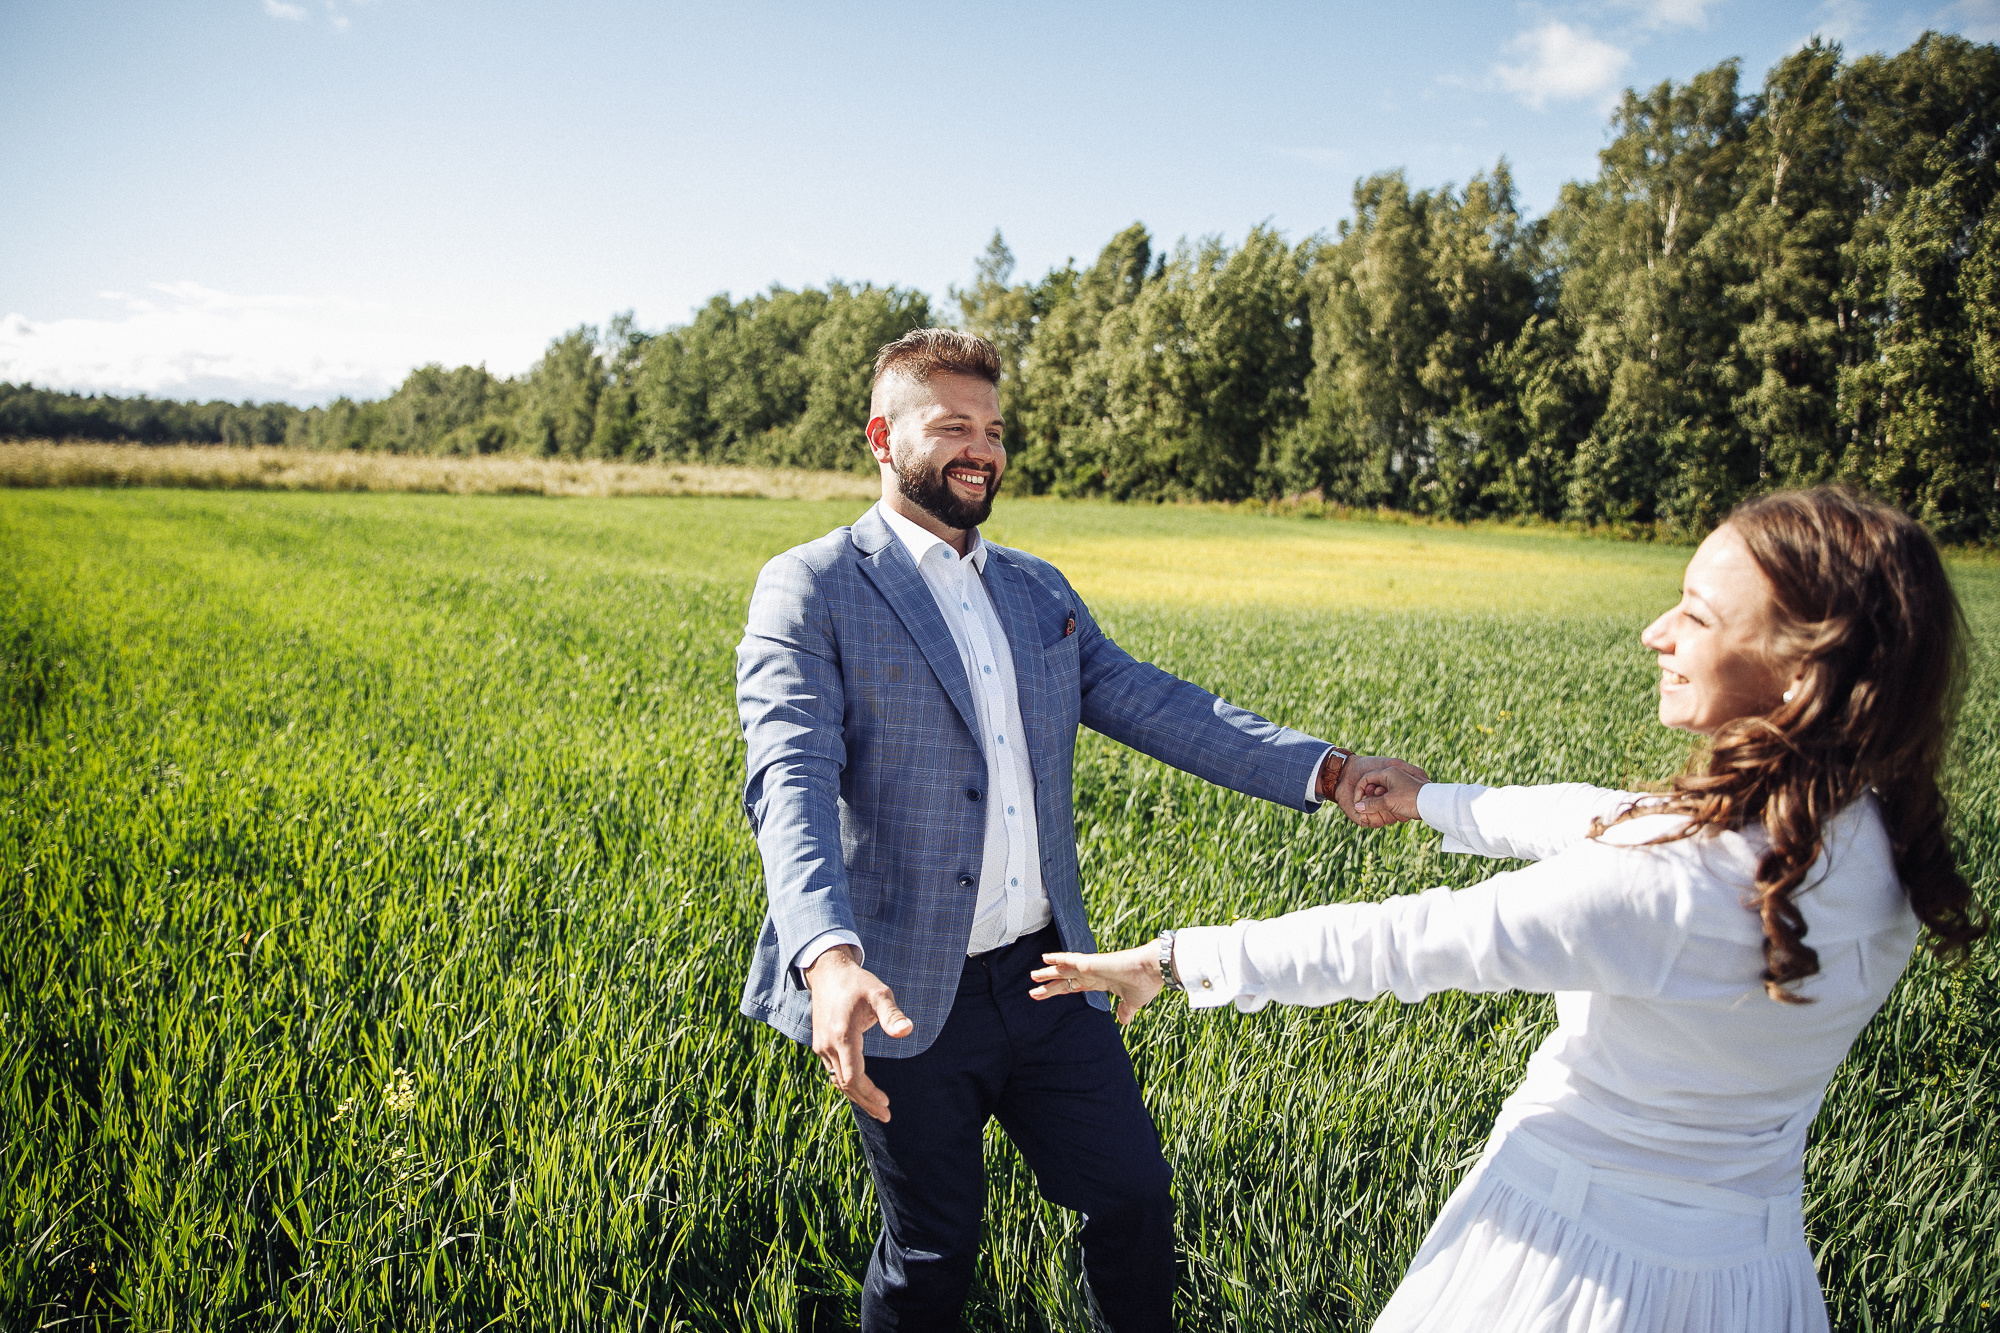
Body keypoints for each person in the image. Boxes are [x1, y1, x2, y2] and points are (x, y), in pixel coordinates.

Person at [1032, 486, 1983, 1332]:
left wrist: (1166, 959)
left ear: (1799, 668)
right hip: (1753, 1271)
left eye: (1694, 614)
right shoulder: (1881, 836)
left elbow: (1400, 941)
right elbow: (1604, 816)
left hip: (1570, 1264)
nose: (1656, 632)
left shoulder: (1669, 883)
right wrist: (1432, 799)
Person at [734, 327, 1423, 1331]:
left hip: (1047, 972)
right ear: (882, 437)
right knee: (934, 1248)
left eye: (994, 429)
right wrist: (826, 956)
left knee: (1133, 1197)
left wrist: (1327, 771)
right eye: (952, 425)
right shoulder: (814, 585)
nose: (982, 448)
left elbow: (1156, 703)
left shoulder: (1035, 587)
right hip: (901, 991)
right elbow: (786, 775)